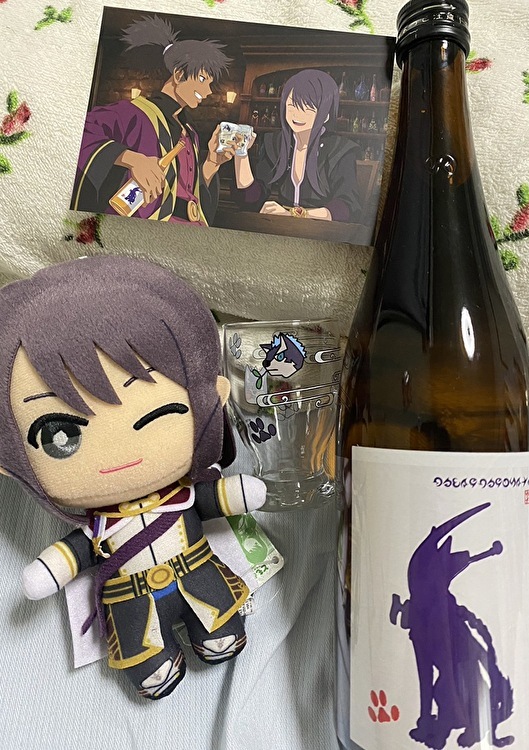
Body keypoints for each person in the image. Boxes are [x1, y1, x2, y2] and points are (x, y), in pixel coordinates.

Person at [0, 256, 266, 699]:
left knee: (219, 623)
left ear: (212, 396)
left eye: (157, 413)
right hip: (130, 598)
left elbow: (211, 499)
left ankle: (216, 633)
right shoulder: (98, 528)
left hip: (197, 574)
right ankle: (153, 663)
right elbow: (75, 553)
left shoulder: (183, 498)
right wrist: (49, 570)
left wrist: (239, 491)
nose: (118, 453)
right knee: (144, 655)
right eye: (60, 435)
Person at [71, 15, 236, 225]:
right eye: (202, 79)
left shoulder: (190, 133)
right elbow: (79, 131)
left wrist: (212, 163)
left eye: (210, 83)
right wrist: (132, 159)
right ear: (179, 75)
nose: (208, 91)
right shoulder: (133, 113)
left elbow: (189, 191)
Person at [232, 69, 363, 223]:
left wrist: (298, 214)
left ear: (325, 115)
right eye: (292, 105)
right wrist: (240, 154)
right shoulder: (274, 143)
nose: (297, 114)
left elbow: (347, 207)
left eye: (308, 108)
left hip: (322, 229)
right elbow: (251, 199)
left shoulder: (341, 149)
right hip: (280, 226)